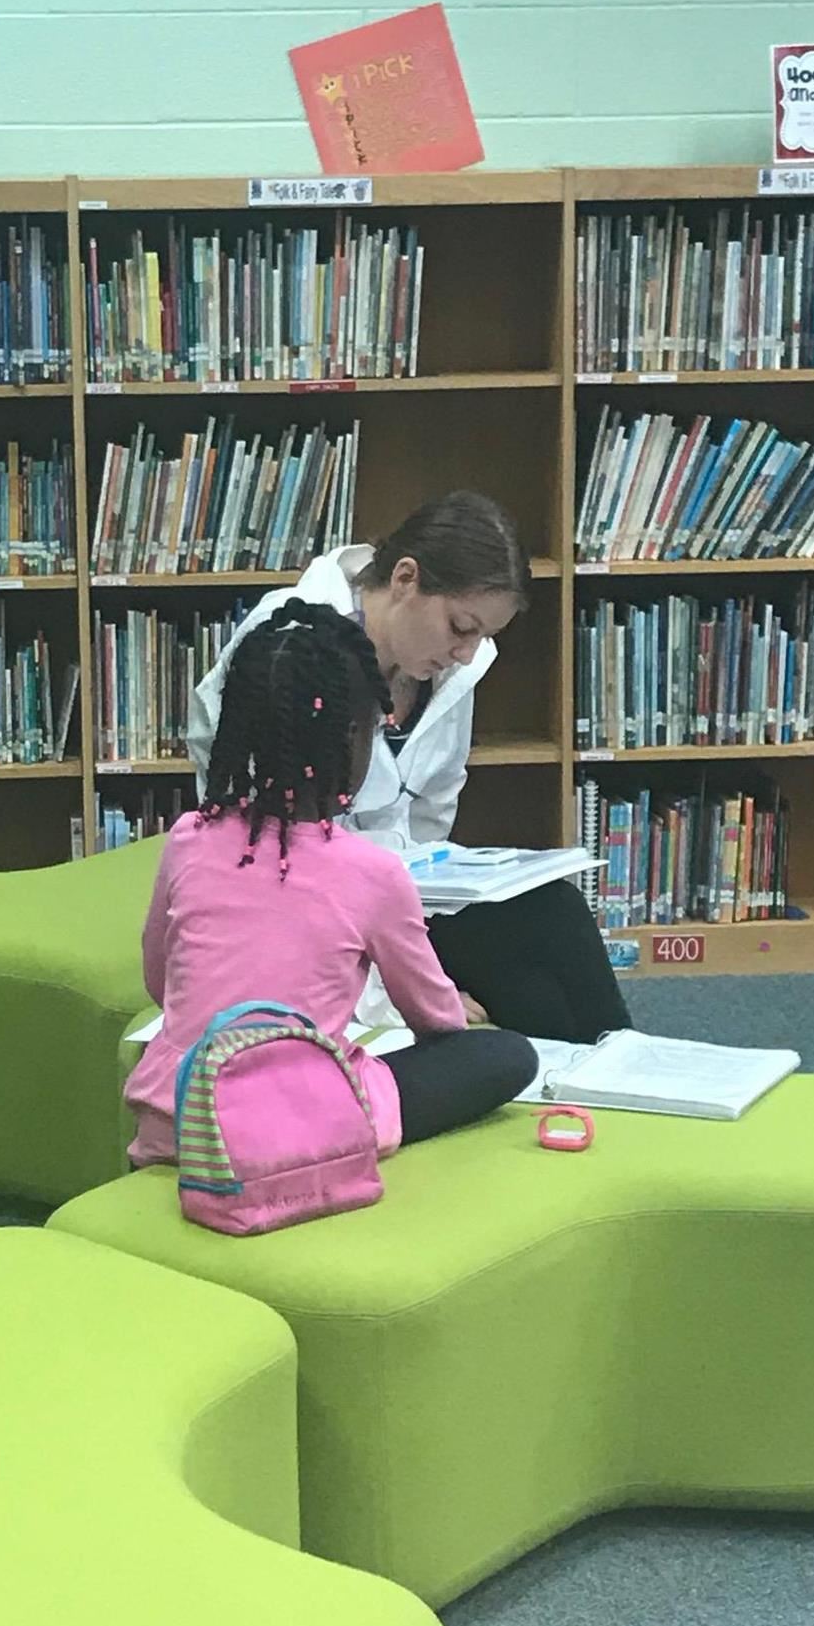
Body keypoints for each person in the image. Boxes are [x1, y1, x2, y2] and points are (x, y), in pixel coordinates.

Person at [187, 490, 632, 1044]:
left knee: (552, 915)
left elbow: (434, 806)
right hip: (311, 920)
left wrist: (439, 901)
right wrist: (393, 992)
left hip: (398, 902)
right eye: (460, 627)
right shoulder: (290, 651)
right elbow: (287, 870)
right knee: (516, 1004)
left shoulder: (451, 670)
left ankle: (622, 1068)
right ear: (404, 578)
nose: (467, 653)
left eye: (485, 637)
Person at [126, 601, 537, 1169]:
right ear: (352, 739)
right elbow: (435, 1019)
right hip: (292, 1130)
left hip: (175, 1121)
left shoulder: (189, 839)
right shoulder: (370, 871)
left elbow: (160, 981)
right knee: (506, 1055)